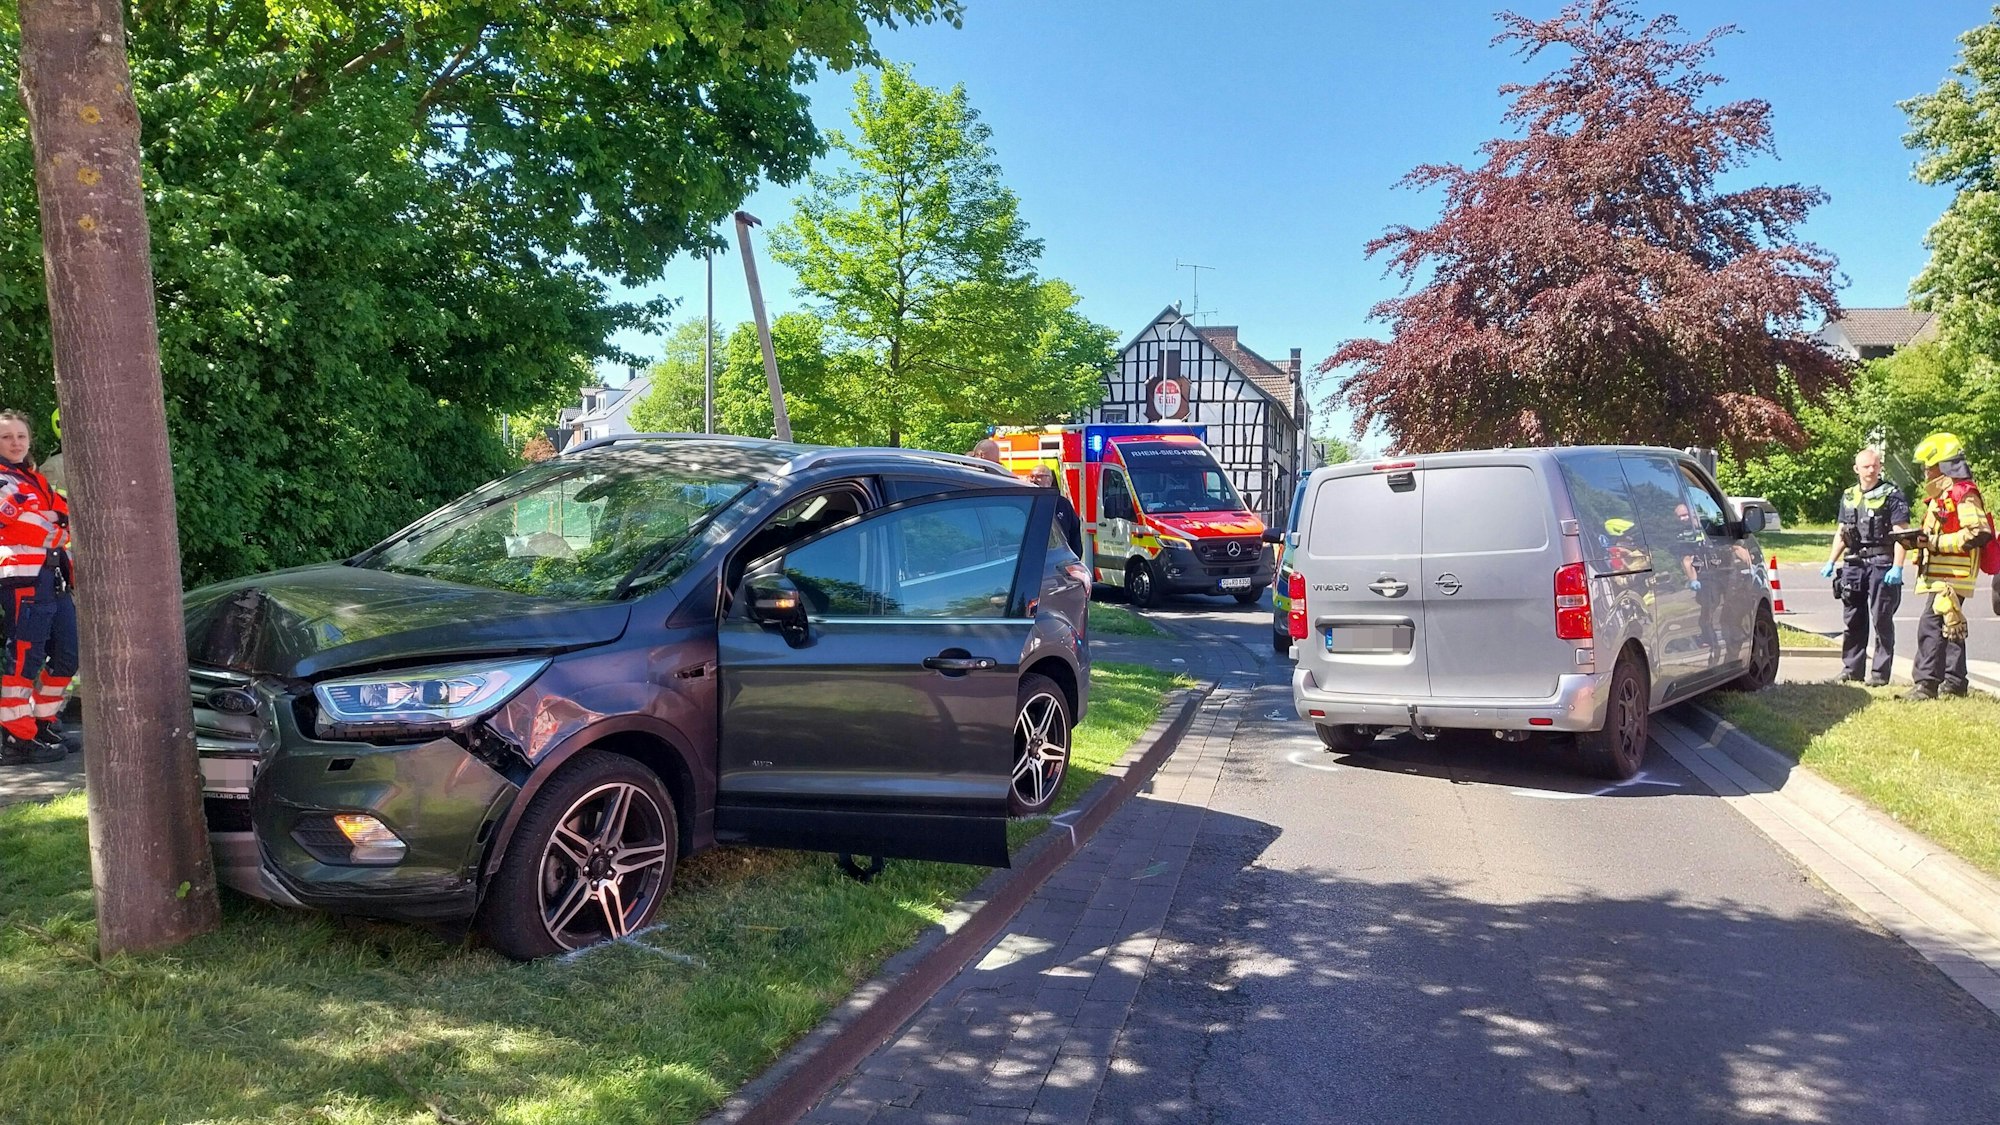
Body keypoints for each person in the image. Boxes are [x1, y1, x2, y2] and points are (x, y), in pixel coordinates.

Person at [0, 410, 75, 766]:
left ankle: (42, 722)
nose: (15, 442)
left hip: (54, 576)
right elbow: (27, 525)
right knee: (24, 659)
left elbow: (64, 513)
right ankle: (16, 736)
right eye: (6, 437)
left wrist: (53, 522)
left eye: (20, 436)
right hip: (23, 579)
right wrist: (57, 527)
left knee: (67, 655)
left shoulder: (32, 479)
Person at [1904, 433, 1990, 701]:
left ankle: (1925, 685)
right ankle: (1954, 681)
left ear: (1942, 465)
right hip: (1943, 574)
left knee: (1930, 625)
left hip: (1953, 574)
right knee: (1950, 625)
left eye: (1929, 466)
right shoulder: (1943, 494)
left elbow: (1979, 532)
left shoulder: (1962, 494)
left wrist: (1936, 542)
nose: (1926, 472)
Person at [1819, 447, 1910, 686]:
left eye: (1875, 465)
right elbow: (1841, 532)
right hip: (1854, 564)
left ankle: (1880, 675)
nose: (1871, 470)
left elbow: (1902, 534)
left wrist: (1898, 567)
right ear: (1856, 469)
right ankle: (1852, 669)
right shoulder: (1849, 495)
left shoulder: (1892, 494)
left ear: (1880, 467)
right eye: (1866, 466)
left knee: (1882, 619)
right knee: (1853, 620)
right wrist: (1831, 560)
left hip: (1882, 563)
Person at [1030, 464, 1083, 555]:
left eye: (1039, 476)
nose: (1034, 480)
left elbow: (1074, 532)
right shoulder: (1027, 503)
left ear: (1050, 480)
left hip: (1059, 557)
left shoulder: (1062, 504)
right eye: (1032, 476)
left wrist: (1074, 557)